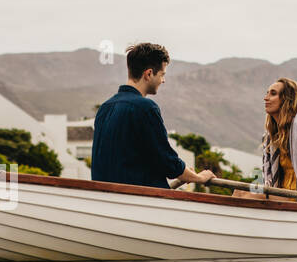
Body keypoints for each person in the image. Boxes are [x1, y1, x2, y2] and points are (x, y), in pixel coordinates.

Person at [91, 42, 213, 189]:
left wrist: (185, 173)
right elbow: (168, 162)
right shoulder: (145, 108)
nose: (163, 80)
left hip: (106, 198)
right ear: (148, 74)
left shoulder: (105, 108)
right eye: (162, 75)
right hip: (142, 201)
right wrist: (198, 177)